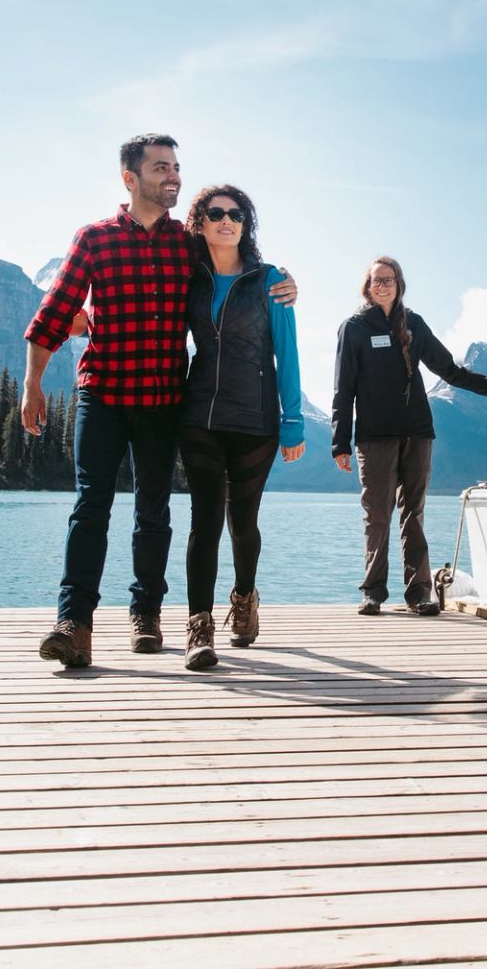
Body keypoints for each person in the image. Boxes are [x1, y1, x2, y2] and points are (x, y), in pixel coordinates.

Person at [21, 134, 295, 669]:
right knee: (89, 506)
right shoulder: (94, 239)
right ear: (131, 178)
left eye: (176, 167)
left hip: (164, 398)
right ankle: (73, 624)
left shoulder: (186, 244)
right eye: (160, 167)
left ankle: (146, 614)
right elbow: (54, 312)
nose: (172, 176)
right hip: (100, 392)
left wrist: (283, 283)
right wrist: (32, 384)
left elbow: (234, 261)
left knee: (153, 511)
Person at [331, 256, 487, 616]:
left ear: (399, 284)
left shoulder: (412, 324)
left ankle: (419, 593)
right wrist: (340, 441)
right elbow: (343, 388)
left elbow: (449, 370)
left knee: (413, 514)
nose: (382, 285)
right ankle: (373, 591)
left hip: (417, 432)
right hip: (374, 436)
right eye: (376, 280)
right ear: (367, 287)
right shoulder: (353, 328)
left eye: (389, 279)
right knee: (377, 515)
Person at [179, 184, 305, 670]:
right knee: (204, 520)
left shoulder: (271, 280)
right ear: (202, 223)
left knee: (243, 522)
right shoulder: (192, 278)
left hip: (255, 419)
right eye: (216, 213)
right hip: (199, 416)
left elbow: (286, 353)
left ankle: (245, 597)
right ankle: (199, 626)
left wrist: (292, 422)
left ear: (245, 224)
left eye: (236, 214)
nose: (226, 220)